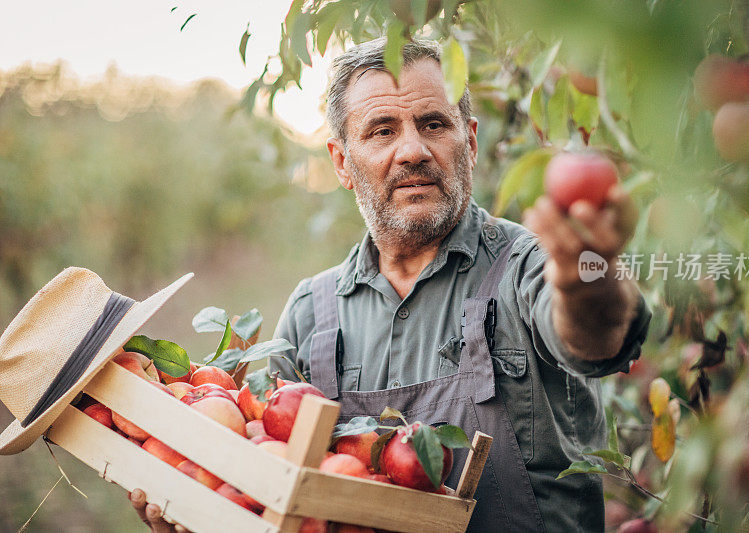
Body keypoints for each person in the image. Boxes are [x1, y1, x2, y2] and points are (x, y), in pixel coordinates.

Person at [133, 38, 651, 532]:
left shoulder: (529, 266)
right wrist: (198, 505)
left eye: (433, 124)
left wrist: (587, 281)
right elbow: (275, 492)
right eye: (382, 130)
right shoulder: (311, 315)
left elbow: (595, 338)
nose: (412, 151)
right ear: (342, 163)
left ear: (469, 142)